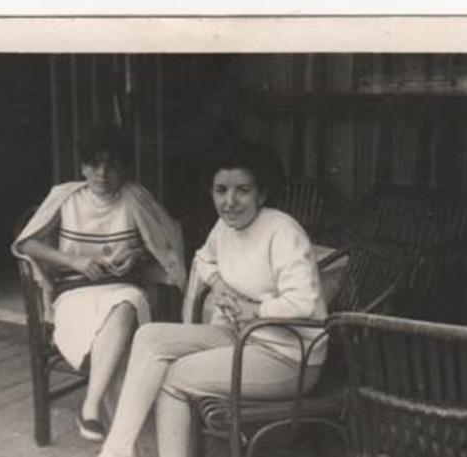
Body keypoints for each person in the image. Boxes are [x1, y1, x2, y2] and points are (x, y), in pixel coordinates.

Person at [98, 141, 327, 457]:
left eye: (243, 191)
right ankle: (118, 448)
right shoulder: (225, 226)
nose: (229, 202)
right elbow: (203, 259)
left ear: (262, 194)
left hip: (288, 357)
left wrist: (253, 309)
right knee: (149, 335)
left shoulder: (283, 232)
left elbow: (305, 304)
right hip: (241, 337)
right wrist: (219, 285)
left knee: (173, 378)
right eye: (221, 190)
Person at [11, 132, 186, 442]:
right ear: (82, 168)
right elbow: (27, 243)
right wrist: (73, 260)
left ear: (124, 169)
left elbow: (167, 243)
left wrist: (136, 254)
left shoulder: (134, 198)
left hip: (121, 290)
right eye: (94, 164)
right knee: (120, 337)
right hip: (75, 293)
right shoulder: (67, 198)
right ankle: (124, 440)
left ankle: (91, 410)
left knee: (127, 302)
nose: (102, 173)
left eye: (112, 165)